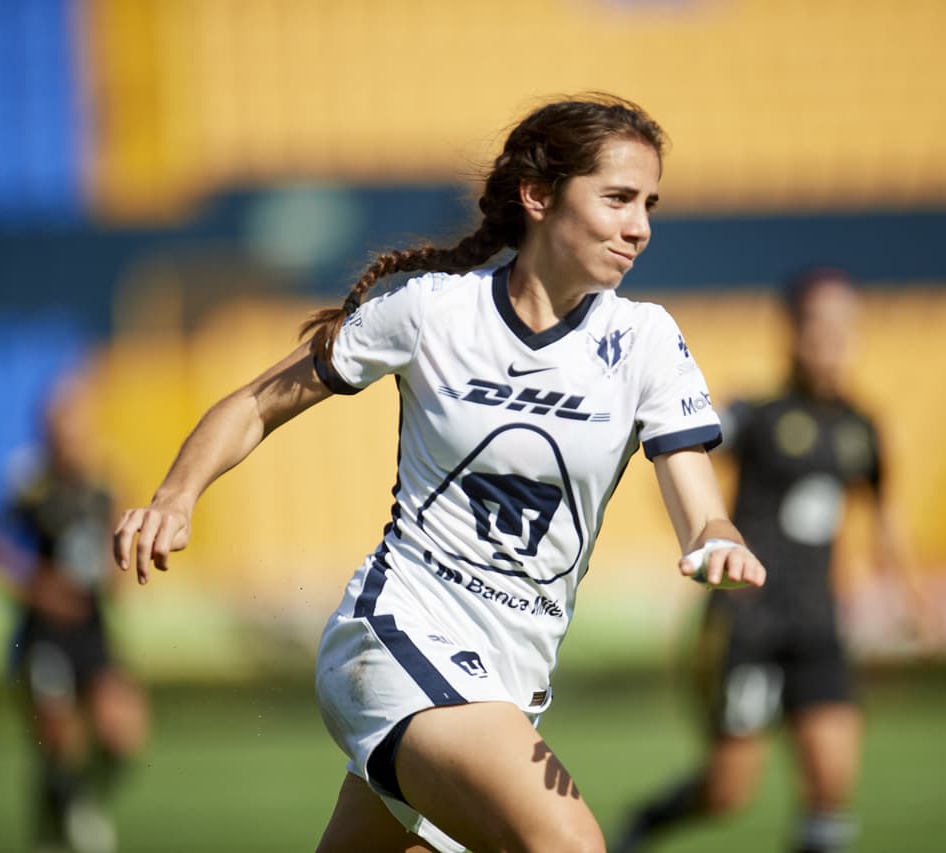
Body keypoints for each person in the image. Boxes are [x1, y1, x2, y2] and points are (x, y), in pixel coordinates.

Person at [111, 94, 766, 853]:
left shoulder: (645, 339)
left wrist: (716, 537)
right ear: (539, 196)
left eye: (649, 204)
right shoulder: (431, 311)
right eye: (618, 199)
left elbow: (697, 498)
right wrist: (174, 497)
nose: (640, 226)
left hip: (508, 677)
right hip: (395, 636)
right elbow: (255, 403)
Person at [613, 267, 924, 853]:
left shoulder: (863, 428)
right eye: (818, 328)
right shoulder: (756, 415)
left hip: (817, 623)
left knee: (830, 784)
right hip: (747, 623)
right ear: (794, 332)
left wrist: (908, 597)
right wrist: (698, 542)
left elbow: (884, 515)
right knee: (730, 791)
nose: (831, 342)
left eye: (842, 329)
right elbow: (683, 460)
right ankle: (647, 822)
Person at [0, 373, 149, 853]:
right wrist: (36, 584)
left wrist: (123, 573)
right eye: (57, 425)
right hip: (44, 633)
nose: (66, 435)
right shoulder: (27, 482)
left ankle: (77, 799)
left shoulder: (104, 481)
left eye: (74, 424)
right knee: (56, 735)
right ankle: (66, 808)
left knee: (123, 736)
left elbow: (121, 536)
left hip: (92, 628)